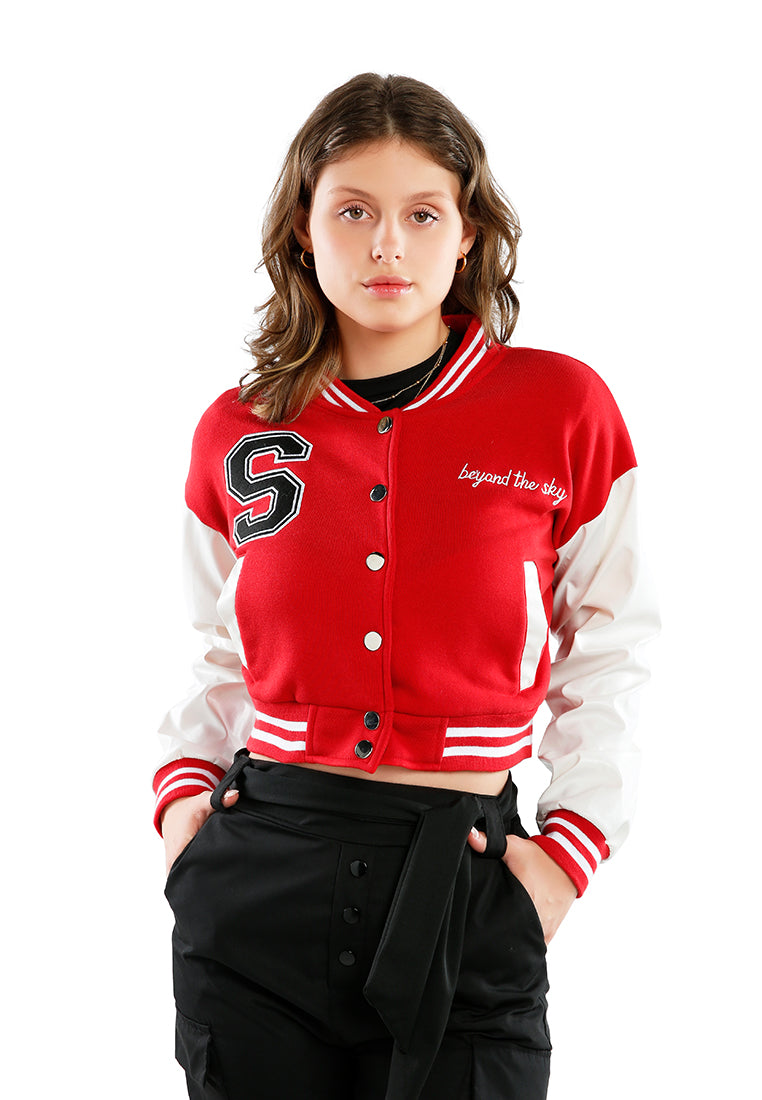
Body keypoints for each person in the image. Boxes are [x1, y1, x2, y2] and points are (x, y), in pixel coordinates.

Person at [154, 72, 658, 1100]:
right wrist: (183, 820)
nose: (388, 244)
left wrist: (566, 857)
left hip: (464, 875)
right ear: (304, 231)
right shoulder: (238, 430)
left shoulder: (561, 407)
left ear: (467, 234)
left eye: (423, 214)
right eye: (353, 211)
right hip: (261, 872)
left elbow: (613, 645)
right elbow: (216, 647)